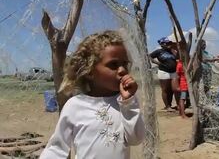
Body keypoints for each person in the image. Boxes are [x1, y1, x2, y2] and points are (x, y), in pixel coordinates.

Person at [40, 30, 145, 159]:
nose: (122, 70)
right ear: (89, 71)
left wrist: (128, 103)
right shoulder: (75, 105)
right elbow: (57, 148)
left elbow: (136, 139)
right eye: (113, 65)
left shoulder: (125, 103)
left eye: (124, 64)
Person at [149, 37, 178, 111]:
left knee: (173, 89)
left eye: (169, 43)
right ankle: (167, 106)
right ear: (162, 44)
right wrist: (156, 62)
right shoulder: (159, 51)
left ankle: (171, 105)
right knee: (165, 89)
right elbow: (149, 56)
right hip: (164, 71)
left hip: (173, 72)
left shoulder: (172, 51)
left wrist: (175, 52)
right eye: (167, 43)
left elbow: (178, 58)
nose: (169, 44)